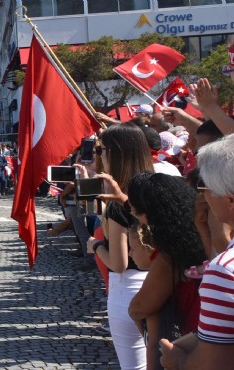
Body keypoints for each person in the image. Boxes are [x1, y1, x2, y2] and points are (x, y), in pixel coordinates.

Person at [159, 134, 234, 370]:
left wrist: (177, 360)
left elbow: (211, 365)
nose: (202, 196)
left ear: (230, 200)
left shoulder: (224, 270)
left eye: (204, 186)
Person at [123, 173, 208, 369]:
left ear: (150, 213)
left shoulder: (169, 257)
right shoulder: (203, 232)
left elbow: (142, 307)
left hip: (192, 344)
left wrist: (134, 312)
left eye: (135, 211)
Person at [91, 122, 154, 370]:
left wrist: (95, 244)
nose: (98, 154)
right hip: (161, 282)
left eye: (100, 150)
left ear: (114, 153)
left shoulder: (120, 202)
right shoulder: (160, 186)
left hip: (128, 288)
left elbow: (118, 263)